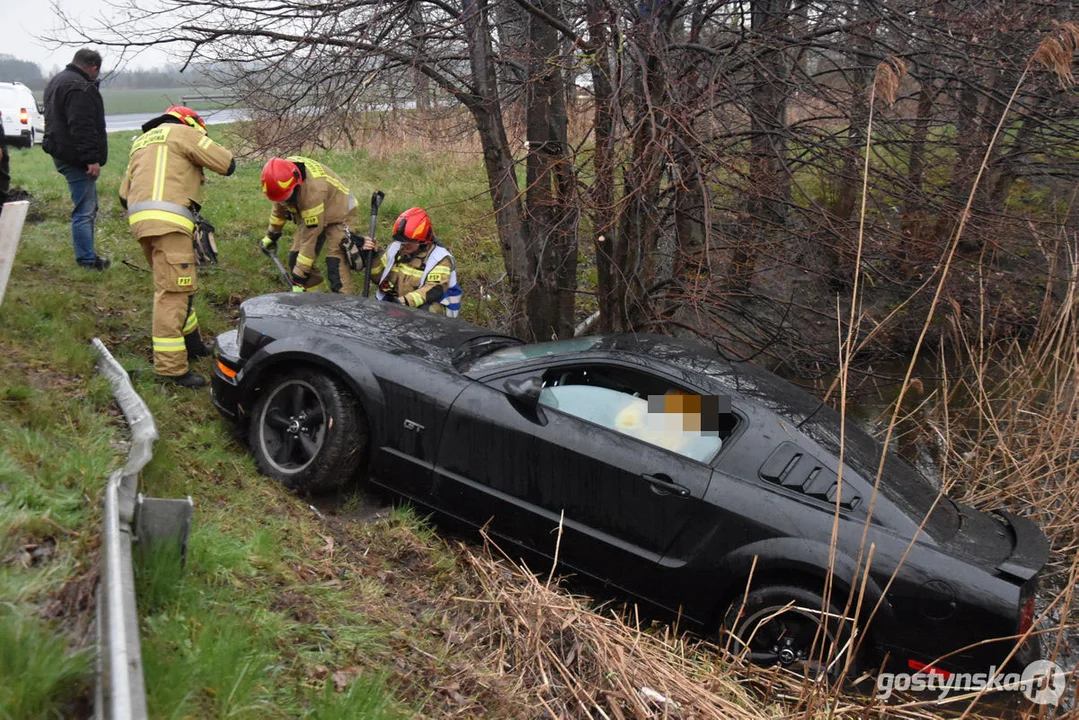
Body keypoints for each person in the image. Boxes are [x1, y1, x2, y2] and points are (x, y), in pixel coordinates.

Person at [118, 106, 236, 388]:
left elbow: (124, 195)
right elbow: (227, 163)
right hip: (170, 223)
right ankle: (171, 370)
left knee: (180, 286)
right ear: (191, 122)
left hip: (141, 222)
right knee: (172, 293)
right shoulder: (184, 132)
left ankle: (192, 344)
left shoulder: (141, 141)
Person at [43, 48, 110, 270]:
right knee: (85, 209)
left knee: (87, 206)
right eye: (97, 72)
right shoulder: (79, 87)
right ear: (93, 67)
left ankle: (88, 256)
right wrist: (91, 159)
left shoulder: (58, 81)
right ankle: (87, 261)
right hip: (76, 157)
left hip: (61, 151)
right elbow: (81, 126)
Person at [259, 156, 357, 293]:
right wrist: (272, 235)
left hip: (340, 211)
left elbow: (311, 238)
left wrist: (298, 278)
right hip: (315, 210)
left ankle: (345, 307)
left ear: (296, 184)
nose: (283, 201)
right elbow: (279, 207)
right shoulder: (281, 178)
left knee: (336, 263)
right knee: (296, 259)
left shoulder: (312, 193)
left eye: (285, 198)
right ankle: (317, 299)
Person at [357, 207, 461, 314]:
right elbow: (379, 278)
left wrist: (403, 302)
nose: (404, 245)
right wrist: (373, 256)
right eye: (402, 241)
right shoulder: (395, 248)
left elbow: (434, 289)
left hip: (432, 305)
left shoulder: (439, 258)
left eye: (409, 242)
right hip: (399, 302)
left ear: (422, 241)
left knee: (428, 311)